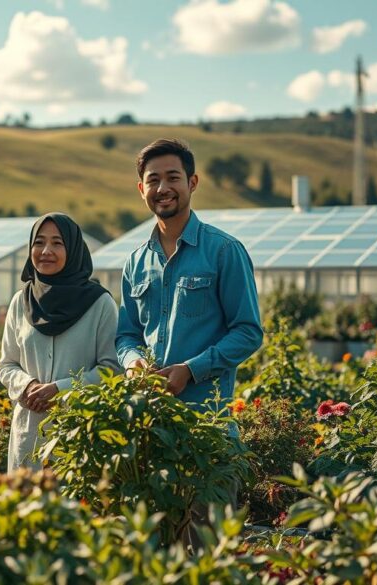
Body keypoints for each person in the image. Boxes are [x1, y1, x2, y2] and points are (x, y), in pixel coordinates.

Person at [115, 139, 263, 542]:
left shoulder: (223, 251)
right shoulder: (135, 262)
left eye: (173, 178)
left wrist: (190, 370)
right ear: (140, 189)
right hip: (151, 434)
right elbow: (126, 333)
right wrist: (132, 363)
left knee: (207, 553)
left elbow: (249, 332)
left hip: (208, 437)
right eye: (153, 180)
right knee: (155, 555)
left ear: (193, 182)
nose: (163, 187)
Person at [0, 213, 120, 473]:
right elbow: (7, 365)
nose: (46, 251)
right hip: (28, 437)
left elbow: (111, 370)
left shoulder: (100, 304)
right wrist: (27, 385)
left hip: (79, 439)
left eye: (57, 243)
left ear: (74, 249)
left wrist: (60, 389)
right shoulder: (21, 302)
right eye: (39, 242)